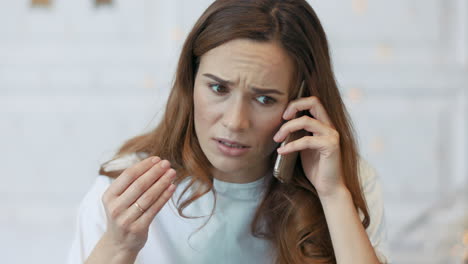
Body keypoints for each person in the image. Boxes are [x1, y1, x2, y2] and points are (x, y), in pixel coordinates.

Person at [67, 0, 391, 263]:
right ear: (190, 83)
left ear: (302, 102)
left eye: (265, 98)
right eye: (219, 88)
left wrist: (333, 196)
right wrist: (119, 246)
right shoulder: (124, 186)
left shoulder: (344, 183)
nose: (236, 122)